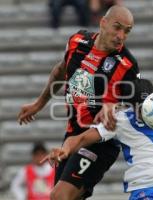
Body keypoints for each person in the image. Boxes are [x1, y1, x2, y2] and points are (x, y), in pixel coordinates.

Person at [18, 5, 140, 200]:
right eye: (117, 27)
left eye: (127, 31)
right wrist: (39, 104)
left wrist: (114, 106)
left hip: (99, 141)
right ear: (103, 23)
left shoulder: (127, 64)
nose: (121, 35)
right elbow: (60, 70)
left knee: (59, 196)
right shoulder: (77, 41)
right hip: (72, 134)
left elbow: (135, 106)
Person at [42, 79, 153, 200]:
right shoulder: (121, 120)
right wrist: (65, 149)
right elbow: (81, 138)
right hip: (148, 191)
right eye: (139, 109)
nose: (144, 113)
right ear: (130, 106)